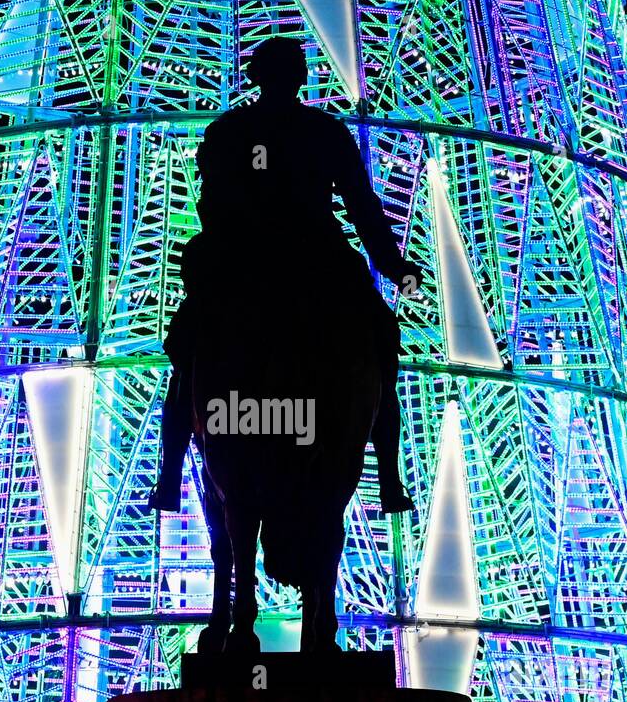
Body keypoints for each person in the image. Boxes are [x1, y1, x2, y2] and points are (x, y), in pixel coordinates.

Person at [148, 36, 422, 514]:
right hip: (302, 251)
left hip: (270, 252)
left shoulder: (241, 130)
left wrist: (391, 262)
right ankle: (389, 476)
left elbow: (358, 204)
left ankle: (170, 473)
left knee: (190, 343)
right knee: (190, 342)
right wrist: (392, 265)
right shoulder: (296, 131)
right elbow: (362, 207)